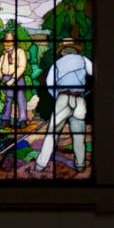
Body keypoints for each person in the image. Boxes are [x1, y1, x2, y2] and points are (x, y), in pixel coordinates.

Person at [35, 42, 93, 173]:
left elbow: (50, 83)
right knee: (78, 135)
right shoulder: (83, 60)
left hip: (62, 99)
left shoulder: (58, 63)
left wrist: (58, 96)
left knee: (52, 133)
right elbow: (95, 73)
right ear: (75, 50)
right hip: (79, 100)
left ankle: (40, 164)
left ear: (63, 51)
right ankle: (80, 164)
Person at [0, 32, 29, 129]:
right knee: (7, 100)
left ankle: (22, 120)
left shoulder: (20, 52)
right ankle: (5, 120)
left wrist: (13, 78)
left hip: (18, 78)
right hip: (6, 79)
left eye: (9, 45)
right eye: (6, 45)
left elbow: (22, 67)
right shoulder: (4, 55)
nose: (7, 47)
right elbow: (0, 68)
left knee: (21, 99)